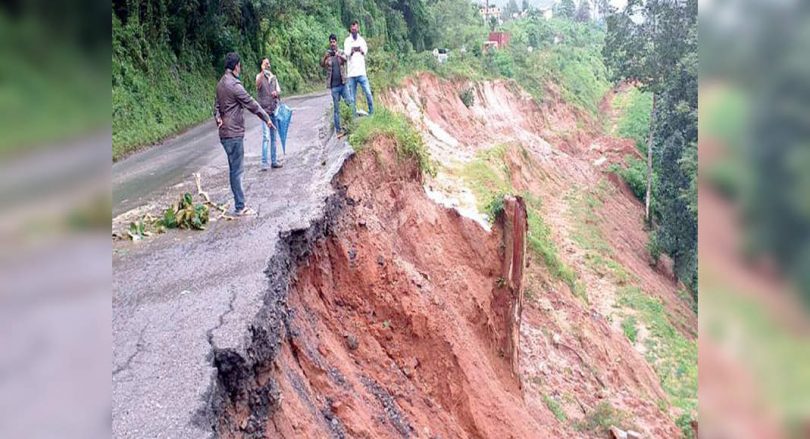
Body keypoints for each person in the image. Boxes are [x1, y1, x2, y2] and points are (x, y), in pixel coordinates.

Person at [214, 52, 274, 216]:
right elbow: (251, 103)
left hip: (224, 134)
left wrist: (218, 118)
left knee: (234, 169)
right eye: (239, 66)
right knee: (237, 170)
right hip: (233, 134)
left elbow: (216, 106)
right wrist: (266, 118)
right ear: (235, 67)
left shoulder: (220, 84)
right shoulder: (234, 86)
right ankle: (240, 206)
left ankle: (239, 203)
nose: (240, 68)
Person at [321, 34, 352, 135]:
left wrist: (338, 55)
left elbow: (346, 60)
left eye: (334, 42)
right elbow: (322, 65)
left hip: (343, 84)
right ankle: (338, 130)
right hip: (334, 87)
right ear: (329, 43)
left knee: (349, 103)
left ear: (336, 42)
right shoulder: (328, 54)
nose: (332, 44)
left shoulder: (341, 52)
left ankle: (353, 123)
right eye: (331, 42)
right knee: (336, 108)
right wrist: (325, 57)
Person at [255, 57, 282, 170]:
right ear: (261, 65)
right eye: (266, 63)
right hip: (264, 112)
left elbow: (279, 91)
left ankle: (274, 161)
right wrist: (262, 72)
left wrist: (277, 93)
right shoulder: (259, 77)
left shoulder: (273, 77)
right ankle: (264, 163)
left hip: (273, 109)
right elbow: (258, 86)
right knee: (266, 137)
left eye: (268, 63)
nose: (268, 65)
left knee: (273, 136)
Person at [344, 20, 374, 116]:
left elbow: (365, 51)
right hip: (351, 73)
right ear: (350, 29)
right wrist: (352, 50)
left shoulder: (362, 40)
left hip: (361, 72)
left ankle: (371, 112)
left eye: (356, 28)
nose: (354, 30)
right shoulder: (347, 41)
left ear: (358, 29)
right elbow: (346, 53)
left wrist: (360, 49)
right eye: (352, 29)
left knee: (368, 93)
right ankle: (353, 116)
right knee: (352, 97)